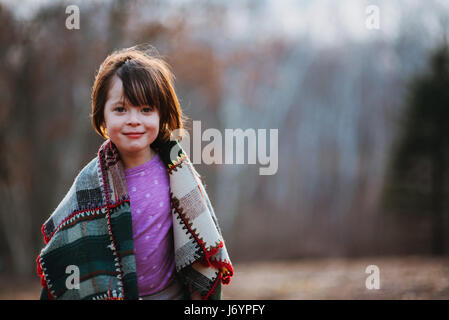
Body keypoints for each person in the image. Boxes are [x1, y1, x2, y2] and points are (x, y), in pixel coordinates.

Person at [36, 45, 233, 300]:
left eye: (146, 110)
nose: (134, 120)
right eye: (120, 109)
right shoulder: (90, 183)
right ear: (102, 117)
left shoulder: (178, 172)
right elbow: (67, 247)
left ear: (161, 115)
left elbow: (203, 238)